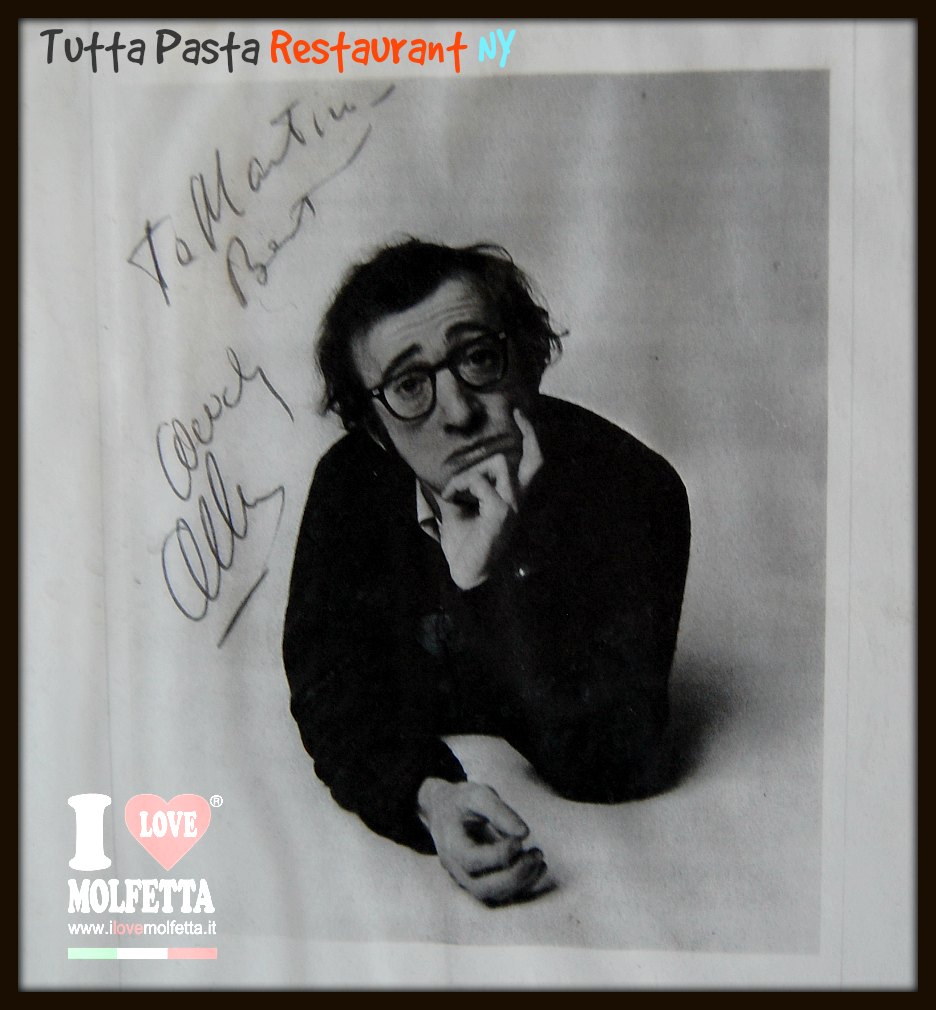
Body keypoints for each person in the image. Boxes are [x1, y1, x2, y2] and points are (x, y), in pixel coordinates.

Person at [282, 239, 691, 906]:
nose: (459, 412)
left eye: (476, 357)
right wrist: (431, 798)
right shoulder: (350, 488)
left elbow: (612, 767)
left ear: (528, 360)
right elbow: (333, 691)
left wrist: (495, 576)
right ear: (376, 430)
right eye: (409, 386)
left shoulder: (635, 489)